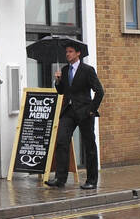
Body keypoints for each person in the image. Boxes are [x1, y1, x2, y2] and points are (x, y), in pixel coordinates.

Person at [45, 40, 104, 190]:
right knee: (61, 141)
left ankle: (91, 180)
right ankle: (60, 178)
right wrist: (57, 81)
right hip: (69, 111)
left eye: (70, 51)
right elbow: (61, 91)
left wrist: (91, 109)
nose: (67, 54)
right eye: (66, 52)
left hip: (84, 112)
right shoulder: (65, 71)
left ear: (78, 53)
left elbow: (100, 91)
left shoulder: (88, 70)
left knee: (89, 145)